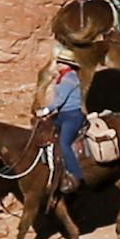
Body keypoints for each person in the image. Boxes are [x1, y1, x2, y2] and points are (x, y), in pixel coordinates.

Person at [37, 47, 85, 194]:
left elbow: (59, 100)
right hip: (63, 115)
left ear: (67, 65)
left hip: (72, 116)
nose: (57, 65)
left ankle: (76, 175)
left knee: (64, 143)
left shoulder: (69, 79)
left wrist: (45, 111)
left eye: (60, 62)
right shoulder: (63, 78)